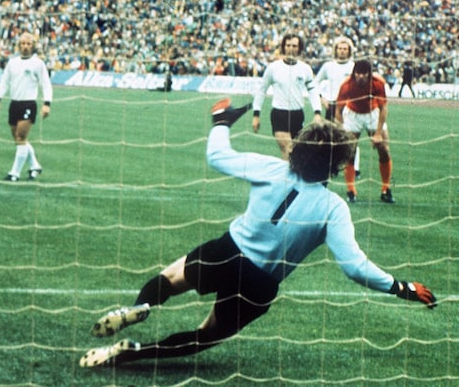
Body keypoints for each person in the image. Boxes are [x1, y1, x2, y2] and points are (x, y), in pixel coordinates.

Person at [78, 99, 436, 368]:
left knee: (171, 279)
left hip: (227, 250)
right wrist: (400, 287)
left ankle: (141, 306)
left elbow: (218, 156)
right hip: (259, 282)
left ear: (299, 148)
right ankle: (134, 353)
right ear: (339, 163)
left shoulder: (271, 169)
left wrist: (221, 121)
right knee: (208, 335)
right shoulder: (333, 207)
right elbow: (354, 266)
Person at [0, 32, 53, 181]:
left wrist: (47, 104)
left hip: (28, 104)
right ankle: (35, 166)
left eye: (28, 44)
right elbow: (4, 82)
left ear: (33, 46)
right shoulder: (12, 63)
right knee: (18, 139)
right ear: (19, 46)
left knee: (21, 137)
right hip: (14, 104)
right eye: (23, 44)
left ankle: (14, 173)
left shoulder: (38, 63)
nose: (25, 46)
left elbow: (46, 84)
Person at [252, 34, 322, 160]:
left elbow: (312, 91)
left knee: (297, 153)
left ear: (299, 49)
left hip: (297, 114)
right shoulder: (273, 68)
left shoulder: (305, 69)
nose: (291, 48)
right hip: (280, 114)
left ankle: (289, 177)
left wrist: (317, 112)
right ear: (283, 48)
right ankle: (287, 179)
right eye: (288, 45)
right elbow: (261, 90)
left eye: (294, 46)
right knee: (287, 148)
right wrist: (256, 115)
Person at [335, 59, 395, 204]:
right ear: (354, 73)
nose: (361, 76)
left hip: (372, 113)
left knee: (384, 149)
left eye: (364, 74)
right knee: (350, 151)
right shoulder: (346, 85)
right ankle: (351, 190)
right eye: (358, 73)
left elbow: (383, 108)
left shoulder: (378, 82)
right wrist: (342, 128)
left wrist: (378, 133)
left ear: (369, 74)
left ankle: (386, 189)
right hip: (352, 114)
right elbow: (338, 109)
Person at [314, 36, 360, 177]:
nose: (342, 51)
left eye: (345, 49)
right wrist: (322, 98)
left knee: (351, 138)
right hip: (333, 105)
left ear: (349, 51)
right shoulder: (328, 66)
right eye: (340, 48)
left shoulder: (353, 66)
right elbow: (315, 83)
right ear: (335, 50)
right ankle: (331, 166)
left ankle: (355, 168)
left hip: (349, 105)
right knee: (331, 138)